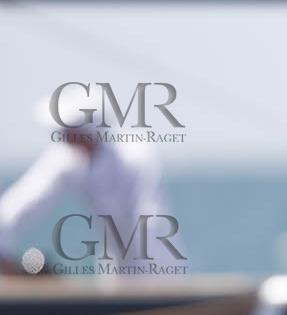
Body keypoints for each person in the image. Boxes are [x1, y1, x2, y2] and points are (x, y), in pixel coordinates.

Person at [0, 94, 168, 275]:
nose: (62, 136)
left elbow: (151, 218)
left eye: (69, 130)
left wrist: (154, 277)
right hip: (115, 266)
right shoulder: (67, 157)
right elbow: (22, 201)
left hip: (160, 265)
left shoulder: (135, 155)